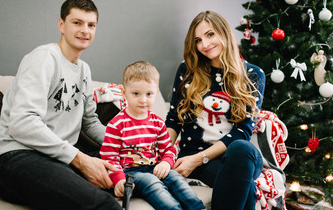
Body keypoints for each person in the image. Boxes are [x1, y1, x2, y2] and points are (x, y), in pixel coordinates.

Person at [0, 0, 122, 210]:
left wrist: (127, 142)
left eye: (91, 25)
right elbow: (22, 123)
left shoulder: (84, 70)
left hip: (58, 158)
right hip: (16, 157)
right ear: (61, 25)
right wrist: (80, 159)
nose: (85, 30)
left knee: (137, 174)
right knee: (103, 205)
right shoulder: (43, 58)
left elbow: (90, 123)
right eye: (77, 23)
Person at [165, 11, 266, 210]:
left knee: (241, 148)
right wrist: (162, 154)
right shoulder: (187, 70)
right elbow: (174, 120)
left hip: (236, 157)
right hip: (197, 157)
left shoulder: (253, 74)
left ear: (224, 33)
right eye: (198, 40)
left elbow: (242, 132)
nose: (204, 44)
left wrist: (197, 160)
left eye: (210, 35)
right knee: (246, 192)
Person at [100, 61, 206, 210]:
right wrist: (119, 180)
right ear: (124, 94)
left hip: (154, 167)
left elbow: (168, 149)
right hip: (131, 173)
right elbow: (109, 157)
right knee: (152, 182)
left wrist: (165, 163)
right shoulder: (117, 124)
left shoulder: (157, 123)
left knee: (175, 178)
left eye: (149, 94)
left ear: (155, 93)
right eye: (136, 94)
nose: (143, 100)